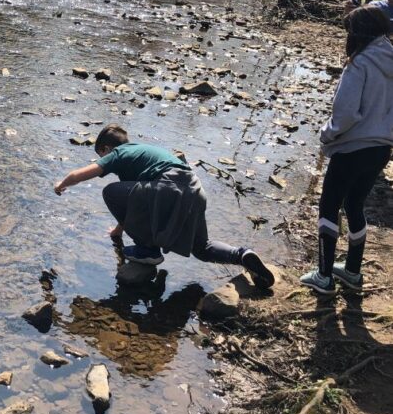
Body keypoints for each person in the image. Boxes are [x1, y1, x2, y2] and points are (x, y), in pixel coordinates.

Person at [54, 124, 275, 290]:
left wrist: (62, 184)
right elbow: (135, 203)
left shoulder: (118, 153)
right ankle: (242, 255)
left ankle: (148, 251)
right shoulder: (144, 150)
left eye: (102, 154)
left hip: (167, 187)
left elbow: (80, 175)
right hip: (194, 189)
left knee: (110, 190)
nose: (104, 158)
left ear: (107, 148)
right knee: (201, 248)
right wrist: (118, 231)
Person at [300, 6, 393, 295]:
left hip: (352, 148)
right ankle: (352, 271)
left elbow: (345, 115)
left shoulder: (359, 63)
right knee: (355, 205)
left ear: (359, 32)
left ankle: (324, 277)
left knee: (329, 207)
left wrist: (326, 135)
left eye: (349, 31)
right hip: (382, 149)